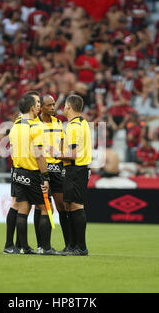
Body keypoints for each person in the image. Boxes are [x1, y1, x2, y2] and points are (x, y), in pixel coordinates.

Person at [6, 92, 61, 255]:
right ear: (31, 107)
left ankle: (22, 247)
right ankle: (45, 248)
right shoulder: (34, 127)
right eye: (37, 104)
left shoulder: (14, 127)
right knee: (45, 208)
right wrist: (45, 177)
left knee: (22, 209)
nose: (39, 106)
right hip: (33, 173)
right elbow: (39, 154)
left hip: (18, 171)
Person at [54, 95, 92, 256]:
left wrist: (56, 155)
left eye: (64, 106)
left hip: (76, 169)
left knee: (76, 206)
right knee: (69, 205)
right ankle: (74, 245)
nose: (63, 108)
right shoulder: (82, 123)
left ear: (68, 107)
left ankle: (81, 247)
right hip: (78, 169)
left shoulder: (73, 127)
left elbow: (74, 154)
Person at [35, 94, 70, 253]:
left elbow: (62, 145)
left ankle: (69, 245)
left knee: (62, 206)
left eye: (54, 104)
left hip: (57, 168)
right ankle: (42, 245)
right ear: (41, 107)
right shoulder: (35, 124)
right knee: (43, 207)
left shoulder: (58, 123)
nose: (53, 107)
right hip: (42, 169)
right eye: (49, 105)